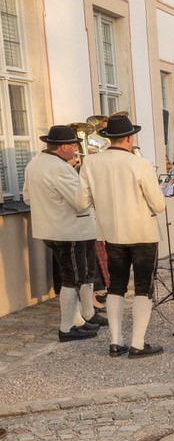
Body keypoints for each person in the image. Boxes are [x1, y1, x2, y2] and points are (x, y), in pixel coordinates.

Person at [80, 114, 166, 358]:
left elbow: (81, 201)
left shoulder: (90, 162)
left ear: (109, 138)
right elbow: (158, 204)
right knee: (142, 287)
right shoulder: (139, 163)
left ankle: (116, 341)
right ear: (129, 138)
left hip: (110, 234)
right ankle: (138, 342)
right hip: (141, 233)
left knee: (115, 285)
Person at [23, 124, 99, 342]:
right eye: (74, 144)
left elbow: (28, 198)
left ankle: (78, 321)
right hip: (69, 230)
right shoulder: (60, 168)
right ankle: (66, 328)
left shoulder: (34, 164)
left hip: (50, 229)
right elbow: (80, 202)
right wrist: (90, 184)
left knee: (72, 276)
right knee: (72, 278)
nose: (76, 148)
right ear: (63, 146)